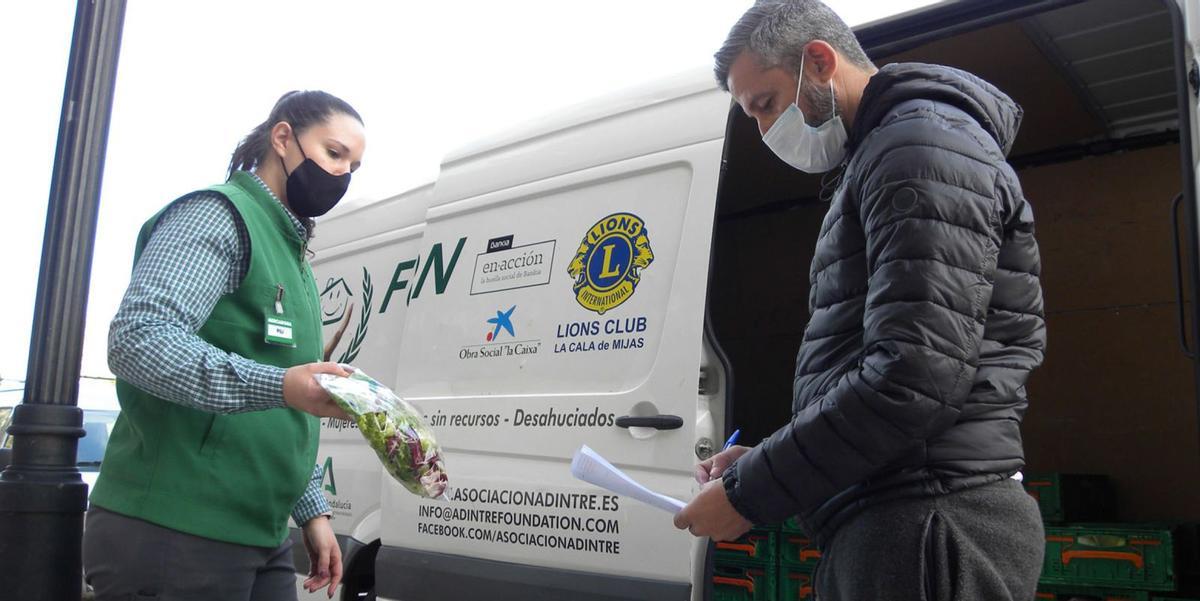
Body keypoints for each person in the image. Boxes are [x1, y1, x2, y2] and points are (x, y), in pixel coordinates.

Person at [673, 2, 1047, 599]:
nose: (766, 132)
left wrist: (752, 493)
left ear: (819, 61)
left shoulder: (919, 148)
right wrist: (765, 458)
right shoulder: (883, 154)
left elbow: (913, 377)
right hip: (899, 513)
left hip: (925, 522)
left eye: (765, 105)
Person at [84, 90, 366, 601]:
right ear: (283, 138)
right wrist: (282, 384)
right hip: (175, 527)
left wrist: (311, 510)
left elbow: (282, 402)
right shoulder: (218, 216)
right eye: (334, 153)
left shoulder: (292, 253)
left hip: (258, 532)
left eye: (354, 166)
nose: (342, 175)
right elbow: (139, 339)